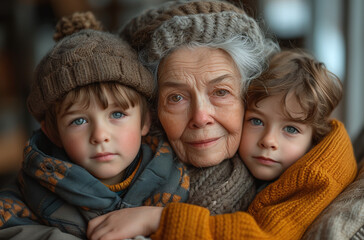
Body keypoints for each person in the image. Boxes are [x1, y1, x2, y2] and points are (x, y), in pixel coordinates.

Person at [86, 1, 357, 239]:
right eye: (176, 97)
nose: (201, 117)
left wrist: (157, 220)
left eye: (221, 92)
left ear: (246, 96)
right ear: (152, 112)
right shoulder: (111, 155)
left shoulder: (311, 169)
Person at [0, 12, 189, 239]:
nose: (100, 136)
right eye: (78, 121)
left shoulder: (175, 179)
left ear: (145, 121)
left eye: (117, 114)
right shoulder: (32, 187)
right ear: (52, 133)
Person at [240, 49, 343, 187]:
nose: (268, 141)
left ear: (313, 139)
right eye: (256, 121)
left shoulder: (316, 184)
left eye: (291, 129)